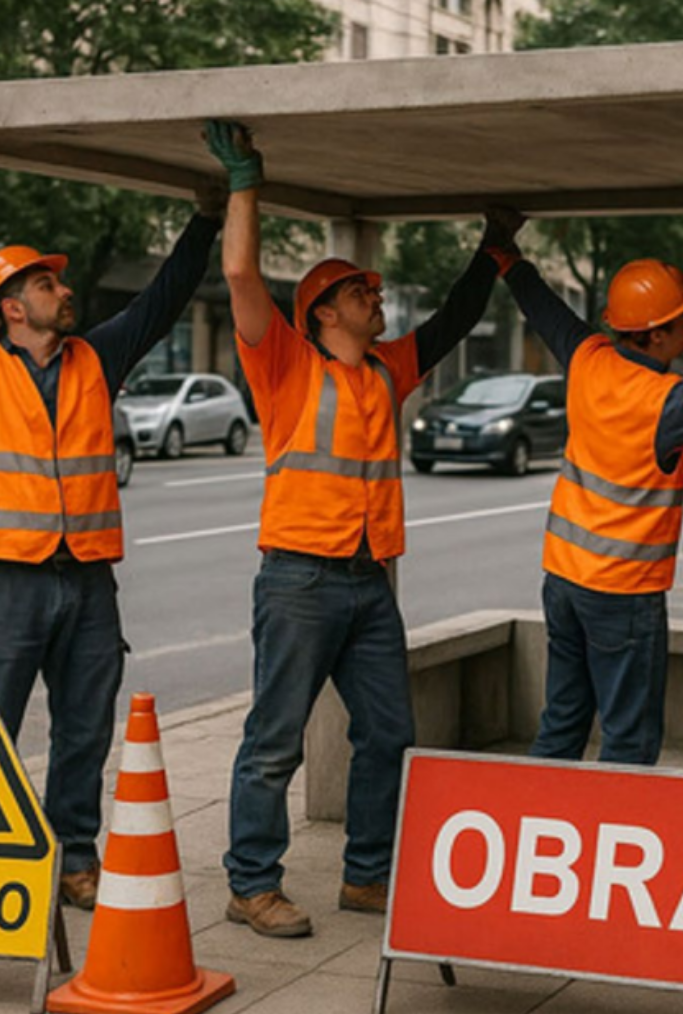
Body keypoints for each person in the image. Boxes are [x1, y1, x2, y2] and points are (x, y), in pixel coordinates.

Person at [204, 119, 523, 938]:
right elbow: (239, 271)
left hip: (366, 580)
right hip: (299, 578)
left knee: (390, 732)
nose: (376, 301)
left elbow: (452, 321)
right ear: (321, 313)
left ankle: (368, 876)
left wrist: (494, 250)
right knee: (276, 741)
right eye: (361, 294)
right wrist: (246, 183)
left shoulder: (386, 368)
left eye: (375, 293)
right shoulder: (281, 361)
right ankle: (251, 885)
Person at [0, 143, 223, 909]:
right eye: (46, 283)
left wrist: (207, 219)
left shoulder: (95, 359)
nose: (63, 289)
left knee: (84, 730)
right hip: (5, 583)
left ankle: (74, 858)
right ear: (11, 307)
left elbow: (164, 299)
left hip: (87, 580)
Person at [499, 227, 683, 765]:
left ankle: (537, 812)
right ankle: (613, 819)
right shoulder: (672, 403)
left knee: (562, 722)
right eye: (682, 318)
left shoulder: (589, 358)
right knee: (629, 740)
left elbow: (545, 310)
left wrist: (508, 258)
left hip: (563, 581)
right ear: (655, 335)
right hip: (623, 593)